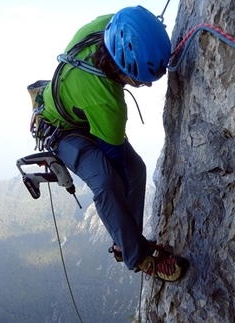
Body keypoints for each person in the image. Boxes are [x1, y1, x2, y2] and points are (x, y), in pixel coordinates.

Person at [37, 6, 188, 282]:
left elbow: (135, 28)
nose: (148, 86)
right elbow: (116, 168)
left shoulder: (112, 27)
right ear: (122, 72)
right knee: (107, 180)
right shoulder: (109, 103)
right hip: (62, 131)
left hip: (79, 110)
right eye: (142, 81)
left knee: (138, 169)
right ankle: (137, 256)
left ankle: (125, 242)